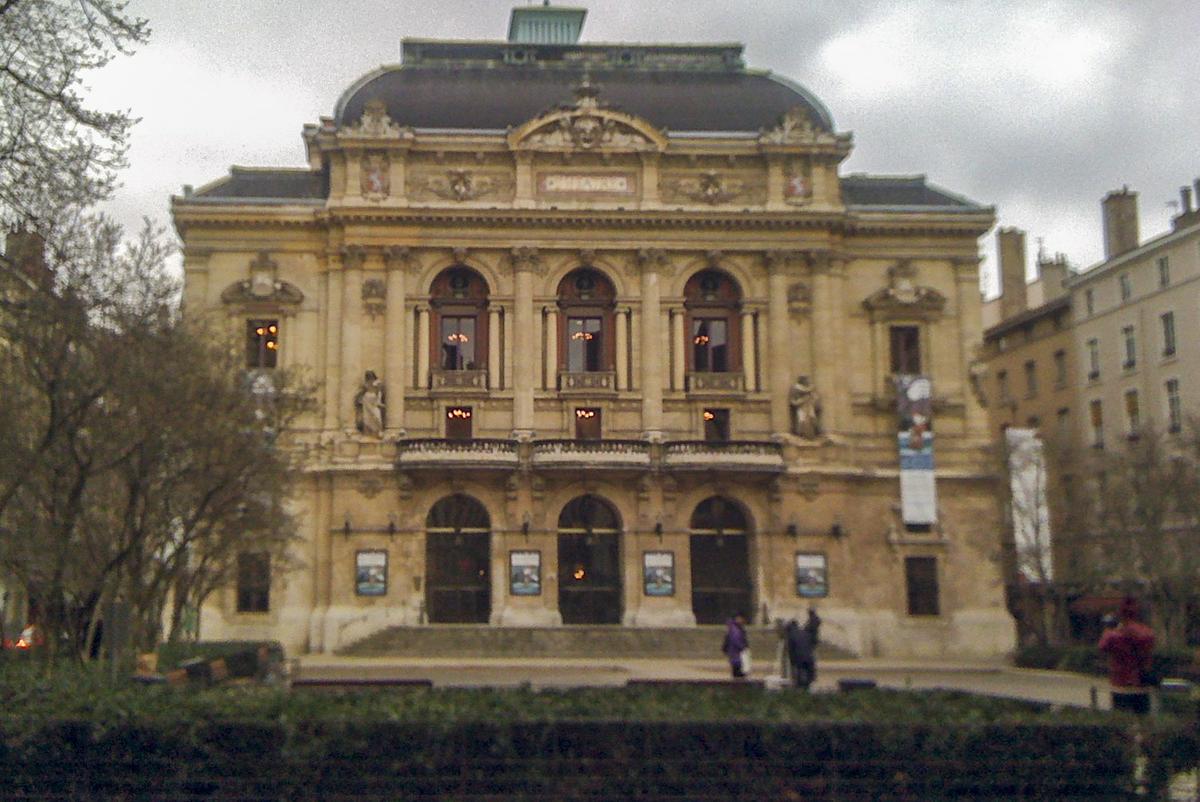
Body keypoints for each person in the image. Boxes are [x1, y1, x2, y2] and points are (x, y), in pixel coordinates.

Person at [1098, 597, 1155, 715]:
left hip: (1120, 682)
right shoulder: (1147, 633)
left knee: (1121, 719)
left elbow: (1102, 646)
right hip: (1140, 681)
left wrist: (1108, 630)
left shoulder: (1113, 636)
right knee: (1143, 719)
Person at [785, 619, 815, 690]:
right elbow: (811, 645)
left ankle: (799, 691)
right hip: (809, 657)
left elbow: (791, 651)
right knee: (809, 679)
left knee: (799, 680)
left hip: (799, 659)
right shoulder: (805, 633)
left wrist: (792, 664)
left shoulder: (791, 636)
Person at [722, 613, 749, 679]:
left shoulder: (734, 628)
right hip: (737, 655)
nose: (741, 620)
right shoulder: (735, 629)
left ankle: (737, 686)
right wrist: (743, 648)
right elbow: (736, 641)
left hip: (734, 655)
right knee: (739, 673)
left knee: (737, 672)